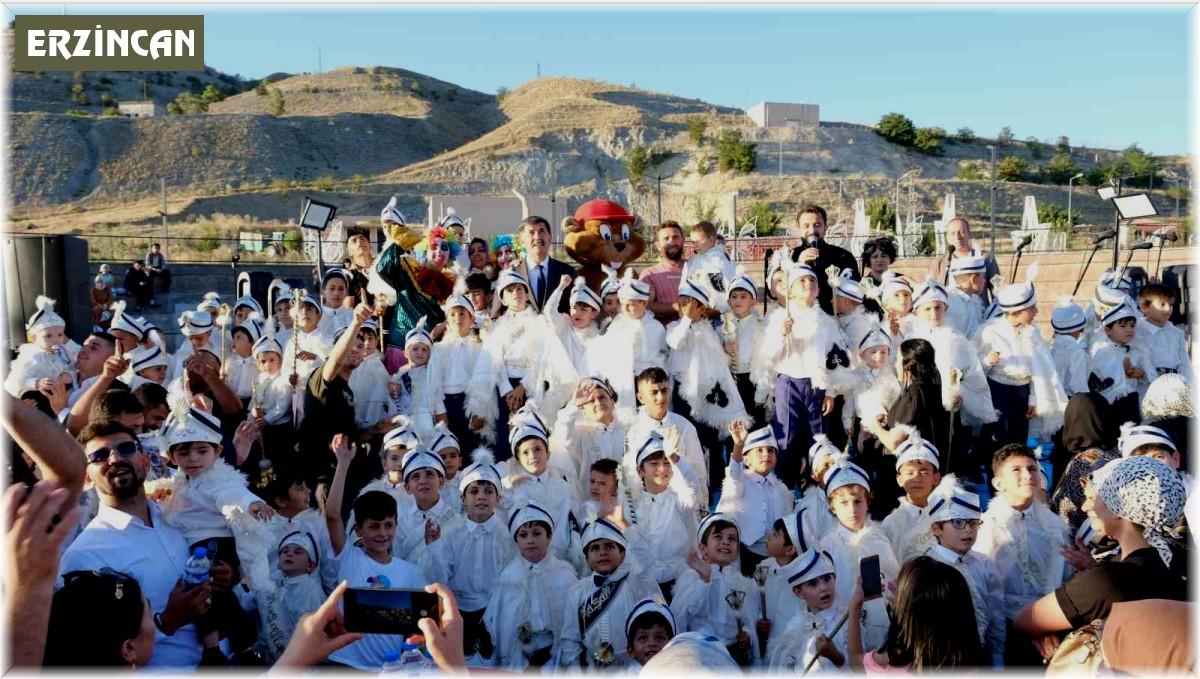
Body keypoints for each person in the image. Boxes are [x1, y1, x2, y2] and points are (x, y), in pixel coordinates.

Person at [60, 421, 211, 669]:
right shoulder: (85, 555)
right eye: (99, 456)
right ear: (87, 476)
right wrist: (168, 622)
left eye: (126, 448)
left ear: (145, 461)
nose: (115, 458)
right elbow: (91, 649)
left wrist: (225, 575)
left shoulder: (179, 515)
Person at [1014, 456, 1187, 658]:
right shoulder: (1180, 560)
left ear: (1119, 508)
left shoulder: (1107, 580)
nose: (1085, 507)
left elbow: (1024, 621)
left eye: (1093, 498)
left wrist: (1043, 631)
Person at [323, 432, 427, 671]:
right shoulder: (349, 557)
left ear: (396, 526)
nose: (382, 533)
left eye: (388, 525)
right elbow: (331, 515)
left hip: (388, 668)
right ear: (358, 530)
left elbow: (416, 628)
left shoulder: (410, 573)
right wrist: (343, 463)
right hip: (344, 664)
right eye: (374, 526)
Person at [973, 443, 1068, 667]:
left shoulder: (1054, 526)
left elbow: (1060, 578)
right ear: (998, 483)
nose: (1027, 475)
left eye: (1032, 468)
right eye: (1016, 470)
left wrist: (1045, 625)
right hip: (1003, 625)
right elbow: (983, 590)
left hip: (1049, 620)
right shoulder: (986, 526)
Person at [847, 556, 986, 671]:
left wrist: (855, 606)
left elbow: (856, 662)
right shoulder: (970, 658)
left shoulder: (897, 659)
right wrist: (908, 606)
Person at [922, 475, 1006, 665]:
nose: (968, 531)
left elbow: (996, 615)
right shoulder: (925, 569)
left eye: (974, 523)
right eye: (958, 523)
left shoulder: (984, 565)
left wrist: (997, 658)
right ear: (936, 528)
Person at [482, 503, 577, 671]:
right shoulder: (508, 576)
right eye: (523, 535)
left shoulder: (565, 576)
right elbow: (499, 623)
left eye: (537, 533)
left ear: (549, 537)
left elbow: (572, 624)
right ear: (516, 540)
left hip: (554, 657)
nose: (530, 540)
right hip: (518, 658)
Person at [670, 513, 762, 667]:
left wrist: (748, 635)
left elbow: (749, 619)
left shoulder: (743, 583)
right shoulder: (691, 578)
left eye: (731, 539)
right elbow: (691, 611)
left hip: (734, 654)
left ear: (737, 550)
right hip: (700, 653)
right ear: (703, 548)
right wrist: (704, 580)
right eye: (718, 537)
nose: (725, 542)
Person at [716, 423, 793, 577]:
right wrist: (739, 444)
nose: (766, 454)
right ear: (747, 460)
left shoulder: (782, 489)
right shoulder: (741, 481)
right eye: (759, 450)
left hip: (773, 555)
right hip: (747, 552)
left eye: (771, 451)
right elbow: (733, 472)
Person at [789, 204, 860, 315]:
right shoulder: (789, 257)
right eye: (806, 226)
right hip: (800, 319)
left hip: (835, 319)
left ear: (825, 228)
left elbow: (854, 290)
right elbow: (779, 291)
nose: (812, 230)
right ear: (799, 229)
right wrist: (799, 265)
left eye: (817, 225)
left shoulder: (843, 256)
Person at [511, 215, 576, 313]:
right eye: (531, 232)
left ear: (550, 238)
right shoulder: (512, 272)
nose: (537, 237)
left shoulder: (567, 271)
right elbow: (496, 315)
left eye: (541, 231)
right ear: (522, 241)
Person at [932, 218, 1001, 303]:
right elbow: (932, 291)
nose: (957, 237)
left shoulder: (986, 258)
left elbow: (998, 288)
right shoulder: (939, 263)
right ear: (947, 237)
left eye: (962, 232)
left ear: (969, 234)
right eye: (953, 233)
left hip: (979, 313)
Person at [1137, 283, 1194, 382]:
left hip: (1174, 389)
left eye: (1171, 304)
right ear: (1145, 307)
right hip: (1146, 390)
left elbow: (1185, 366)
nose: (1168, 309)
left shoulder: (1176, 333)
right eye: (1162, 304)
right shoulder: (1137, 331)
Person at [641, 221, 686, 324]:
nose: (672, 242)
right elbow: (645, 305)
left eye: (676, 237)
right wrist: (677, 307)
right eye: (666, 238)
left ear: (682, 240)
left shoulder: (695, 267)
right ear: (657, 245)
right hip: (664, 336)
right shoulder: (649, 274)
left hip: (700, 333)